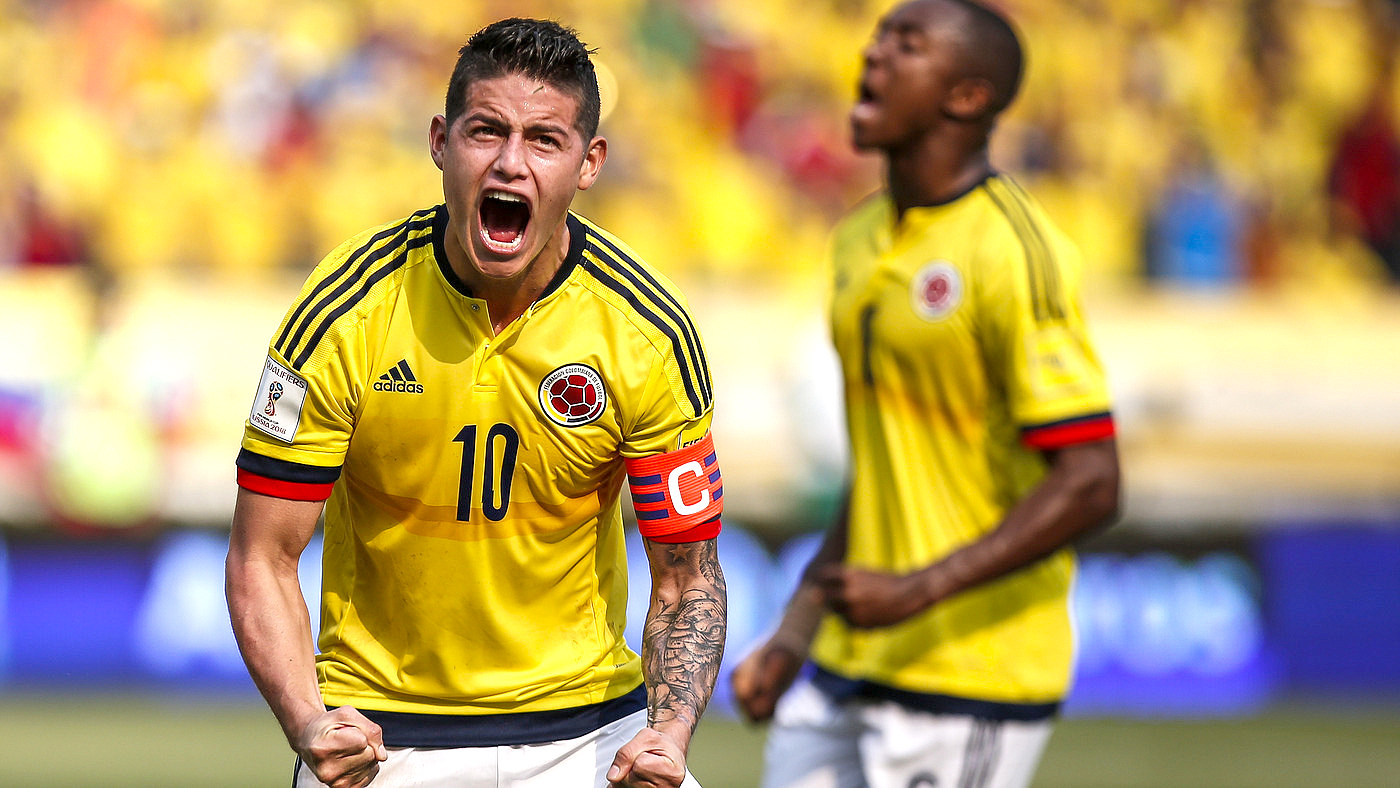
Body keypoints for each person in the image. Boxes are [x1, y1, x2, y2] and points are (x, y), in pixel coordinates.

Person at [226, 18, 726, 788]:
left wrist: (670, 734)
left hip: (591, 734)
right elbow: (262, 555)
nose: (510, 163)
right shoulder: (344, 312)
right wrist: (308, 721)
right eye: (486, 131)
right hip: (382, 739)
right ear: (440, 142)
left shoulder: (647, 331)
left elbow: (687, 578)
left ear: (590, 162)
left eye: (545, 140)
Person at [731, 2, 1120, 787]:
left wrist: (918, 589)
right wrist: (796, 630)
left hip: (967, 675)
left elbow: (1092, 482)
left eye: (906, 45)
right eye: (878, 37)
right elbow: (883, 467)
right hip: (851, 656)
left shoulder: (1014, 250)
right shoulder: (857, 238)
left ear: (968, 96)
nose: (872, 55)